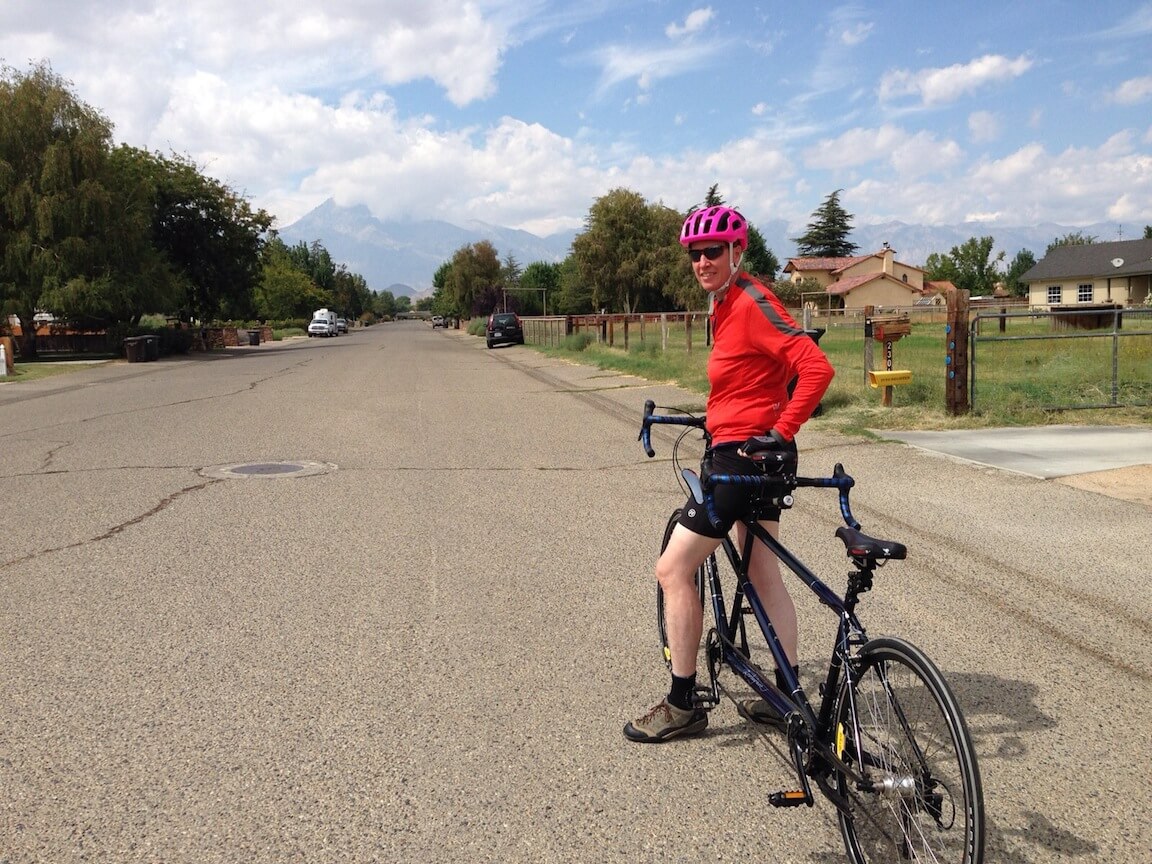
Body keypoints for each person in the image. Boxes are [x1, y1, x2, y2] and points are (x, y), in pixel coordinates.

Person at [623, 205, 835, 743]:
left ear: (737, 252)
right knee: (764, 574)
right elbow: (750, 380)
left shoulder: (753, 300)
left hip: (742, 460)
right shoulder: (726, 304)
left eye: (713, 251)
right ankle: (786, 698)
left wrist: (780, 429)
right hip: (757, 453)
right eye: (695, 254)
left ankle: (682, 704)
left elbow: (815, 367)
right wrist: (726, 416)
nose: (702, 261)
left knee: (672, 570)